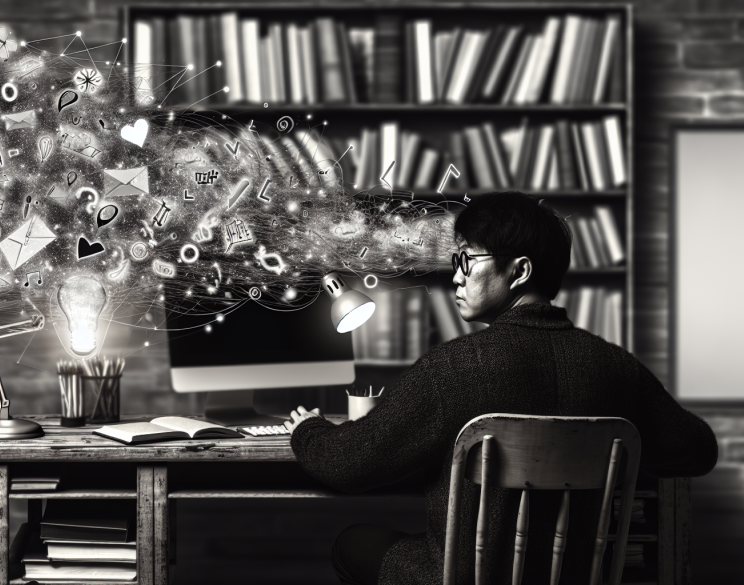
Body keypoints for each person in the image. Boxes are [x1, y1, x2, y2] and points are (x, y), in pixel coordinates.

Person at [285, 191, 718, 585]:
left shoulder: (453, 369)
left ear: (520, 271)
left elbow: (348, 466)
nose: (455, 277)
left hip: (459, 579)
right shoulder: (617, 369)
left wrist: (307, 430)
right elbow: (698, 450)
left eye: (466, 260)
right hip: (574, 577)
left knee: (352, 543)